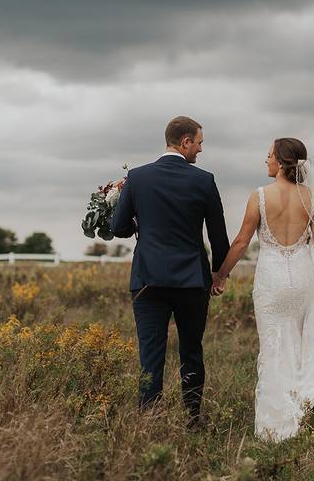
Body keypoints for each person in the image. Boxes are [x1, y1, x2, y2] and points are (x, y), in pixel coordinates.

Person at [211, 137, 314, 442]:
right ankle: (309, 398)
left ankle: (278, 424)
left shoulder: (259, 196)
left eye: (270, 155)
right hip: (303, 276)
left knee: (274, 346)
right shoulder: (311, 198)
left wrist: (220, 274)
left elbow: (241, 243)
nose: (266, 160)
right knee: (302, 341)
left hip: (272, 279)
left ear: (282, 162)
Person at [109, 116, 230, 427]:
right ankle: (193, 417)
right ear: (185, 142)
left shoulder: (137, 178)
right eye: (199, 143)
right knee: (191, 349)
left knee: (151, 352)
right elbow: (218, 236)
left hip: (148, 279)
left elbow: (118, 227)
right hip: (192, 281)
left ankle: (149, 419)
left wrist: (141, 224)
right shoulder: (204, 180)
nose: (201, 150)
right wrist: (219, 274)